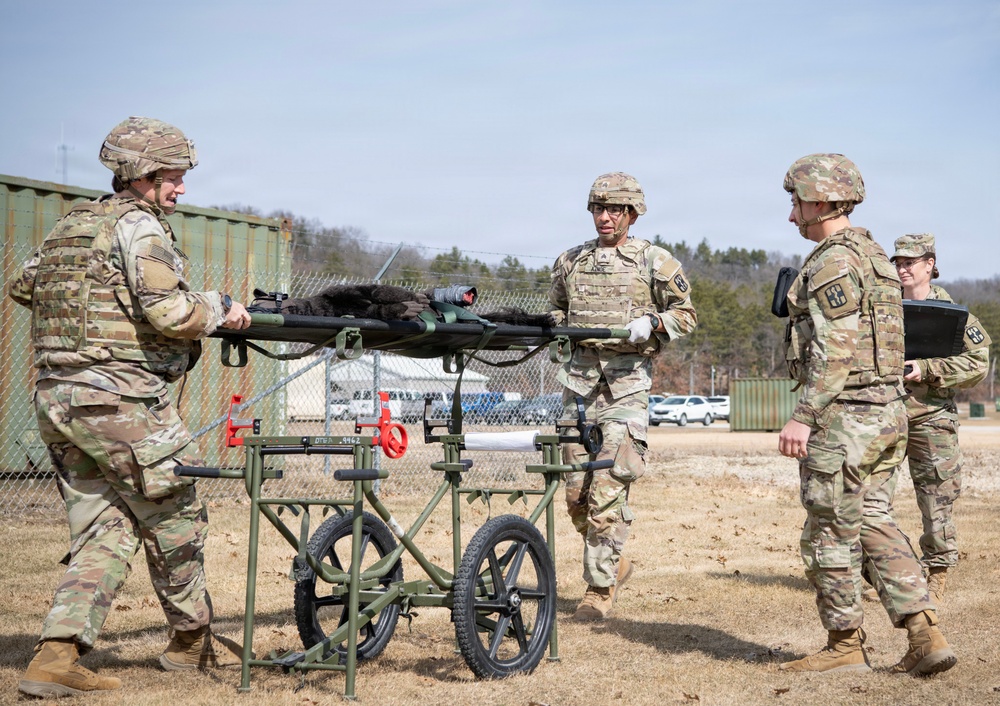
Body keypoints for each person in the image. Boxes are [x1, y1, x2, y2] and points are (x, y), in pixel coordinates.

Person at [7, 116, 253, 698]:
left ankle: (55, 657)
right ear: (142, 174)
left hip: (59, 396)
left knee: (106, 523)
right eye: (173, 175)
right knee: (175, 511)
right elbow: (170, 313)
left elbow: (23, 286)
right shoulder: (140, 227)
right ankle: (191, 641)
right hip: (120, 399)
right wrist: (220, 308)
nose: (182, 188)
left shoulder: (73, 224)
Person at [776, 153, 956, 676]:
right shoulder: (874, 255)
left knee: (830, 529)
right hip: (886, 413)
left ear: (822, 202)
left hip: (846, 417)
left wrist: (804, 414)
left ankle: (845, 646)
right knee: (874, 520)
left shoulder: (834, 260)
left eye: (796, 202)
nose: (791, 214)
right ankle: (925, 634)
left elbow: (837, 346)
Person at [548, 172, 697, 620]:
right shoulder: (570, 261)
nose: (605, 217)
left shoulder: (655, 262)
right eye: (599, 208)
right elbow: (556, 308)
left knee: (608, 489)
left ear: (632, 213)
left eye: (615, 209)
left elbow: (686, 315)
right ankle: (616, 561)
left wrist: (653, 323)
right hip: (579, 386)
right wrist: (558, 327)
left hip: (626, 387)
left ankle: (599, 589)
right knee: (575, 495)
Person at [889, 233, 991, 602]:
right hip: (885, 414)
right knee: (870, 498)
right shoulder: (884, 307)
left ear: (929, 264)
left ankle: (938, 572)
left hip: (932, 418)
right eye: (898, 263)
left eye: (909, 262)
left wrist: (929, 369)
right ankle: (885, 570)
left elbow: (978, 364)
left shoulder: (952, 315)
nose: (902, 269)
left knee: (937, 499)